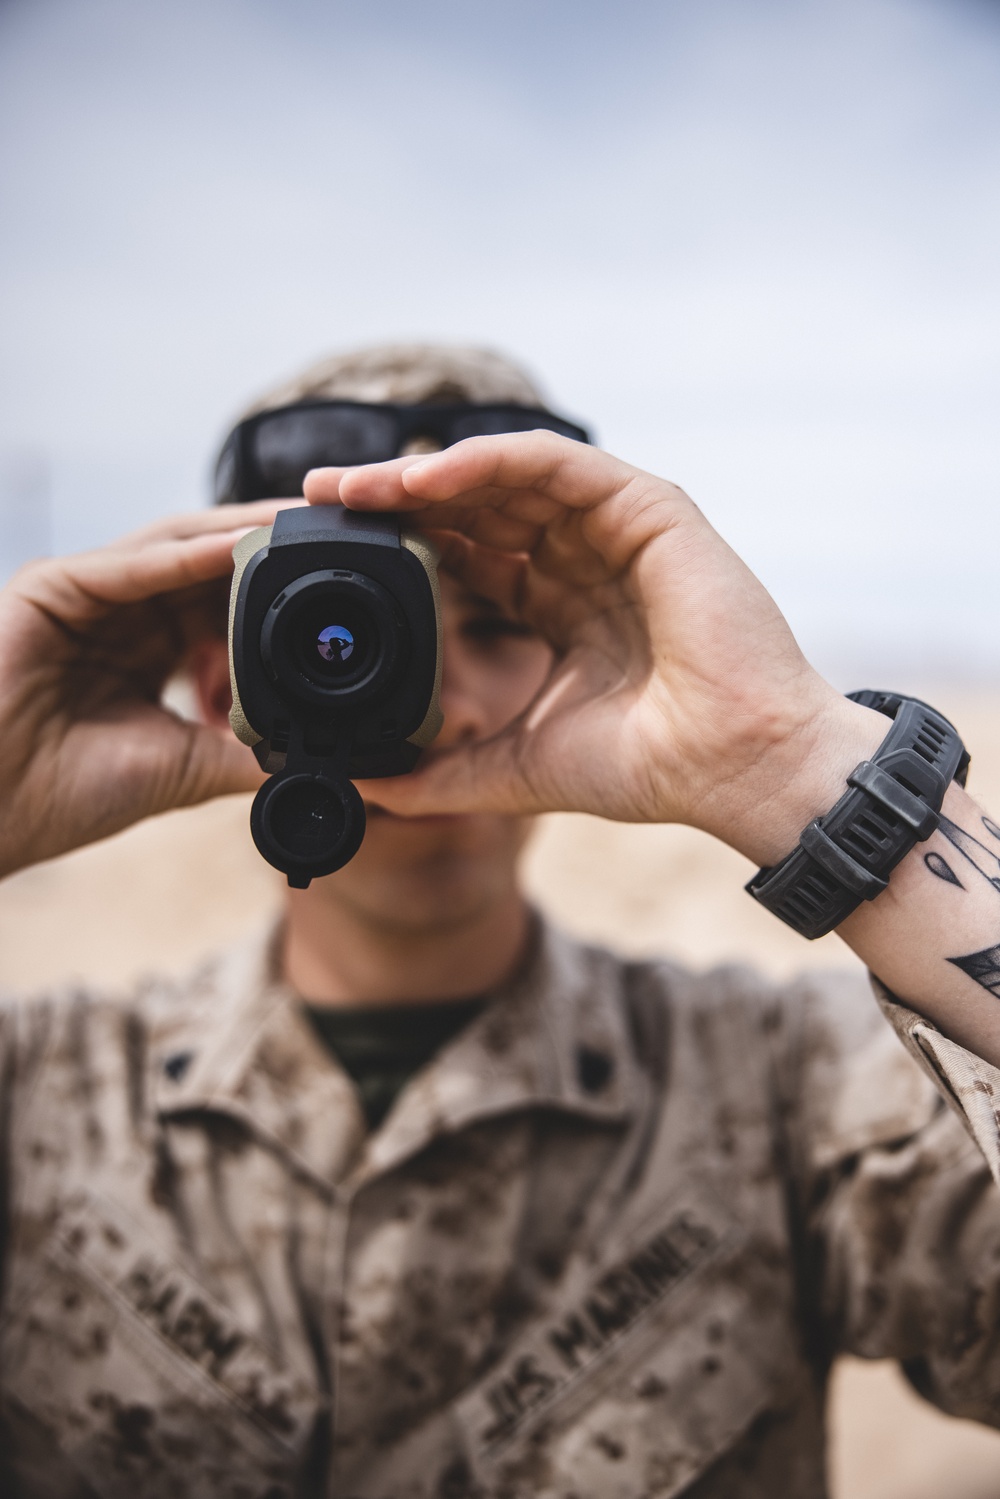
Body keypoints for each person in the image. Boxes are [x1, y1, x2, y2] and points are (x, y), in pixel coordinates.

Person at [1, 342, 999, 1499]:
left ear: (574, 656)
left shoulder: (785, 1092)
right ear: (226, 676)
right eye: (332, 627)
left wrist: (795, 763)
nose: (435, 703)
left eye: (488, 624)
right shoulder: (37, 1096)